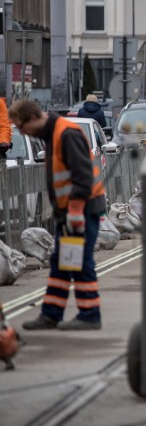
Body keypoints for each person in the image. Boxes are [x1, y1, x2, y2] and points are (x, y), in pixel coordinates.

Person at [9, 100, 105, 331]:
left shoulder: (65, 133)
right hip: (71, 211)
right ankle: (51, 314)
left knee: (80, 261)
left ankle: (89, 315)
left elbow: (82, 177)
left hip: (81, 210)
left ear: (32, 118)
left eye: (21, 127)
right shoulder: (54, 133)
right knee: (62, 262)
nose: (22, 133)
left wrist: (73, 213)